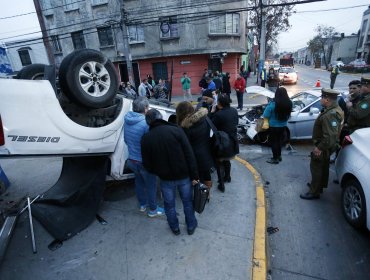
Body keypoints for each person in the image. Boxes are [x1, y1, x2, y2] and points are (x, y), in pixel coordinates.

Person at [141, 109, 199, 235]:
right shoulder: (176, 130)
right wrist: (195, 175)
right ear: (161, 117)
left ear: (148, 122)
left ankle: (175, 227)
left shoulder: (146, 138)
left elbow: (147, 165)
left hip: (165, 178)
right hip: (183, 175)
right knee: (188, 202)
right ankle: (191, 225)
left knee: (169, 205)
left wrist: (159, 171)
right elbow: (189, 154)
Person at [123, 97, 164, 216]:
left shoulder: (127, 119)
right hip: (144, 162)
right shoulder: (145, 123)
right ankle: (153, 210)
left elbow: (126, 140)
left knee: (139, 183)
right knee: (151, 185)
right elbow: (151, 145)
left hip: (132, 159)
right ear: (145, 108)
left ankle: (142, 205)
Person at [300, 89, 344, 200]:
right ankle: (318, 187)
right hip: (327, 146)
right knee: (323, 167)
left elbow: (329, 136)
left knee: (316, 168)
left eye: (322, 98)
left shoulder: (331, 114)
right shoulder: (335, 109)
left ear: (327, 99)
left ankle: (314, 192)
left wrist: (319, 148)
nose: (320, 99)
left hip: (323, 146)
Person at [176, 102, 214, 199]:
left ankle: (199, 195)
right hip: (207, 151)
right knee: (206, 173)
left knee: (197, 176)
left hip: (194, 155)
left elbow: (185, 145)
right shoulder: (204, 118)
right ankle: (207, 193)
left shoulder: (185, 127)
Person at [210, 94, 239, 192]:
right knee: (227, 160)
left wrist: (212, 112)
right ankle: (228, 176)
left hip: (222, 141)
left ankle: (221, 183)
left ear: (220, 103)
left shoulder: (219, 114)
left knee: (218, 161)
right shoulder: (234, 111)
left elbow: (212, 125)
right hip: (233, 140)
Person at [262, 87, 293, 164]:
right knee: (279, 141)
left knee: (274, 142)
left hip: (273, 127)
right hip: (283, 126)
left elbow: (265, 115)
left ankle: (275, 158)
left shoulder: (272, 104)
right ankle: (279, 156)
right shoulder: (289, 103)